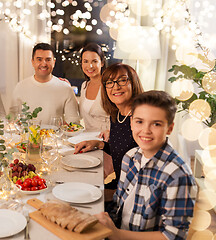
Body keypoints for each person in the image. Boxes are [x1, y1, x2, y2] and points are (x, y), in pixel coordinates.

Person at [95, 90, 197, 240]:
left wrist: (116, 235)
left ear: (169, 128)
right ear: (131, 122)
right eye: (139, 121)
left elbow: (172, 236)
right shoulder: (130, 157)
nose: (146, 130)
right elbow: (118, 202)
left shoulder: (178, 176)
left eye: (156, 124)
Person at [74, 63, 143, 193]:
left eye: (122, 80)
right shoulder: (116, 115)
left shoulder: (140, 119)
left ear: (133, 83)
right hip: (119, 184)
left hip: (133, 192)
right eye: (109, 83)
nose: (115, 87)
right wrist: (99, 144)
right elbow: (121, 150)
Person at [9, 43, 80, 124]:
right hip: (27, 136)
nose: (43, 64)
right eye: (39, 59)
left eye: (48, 59)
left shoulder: (65, 88)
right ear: (32, 62)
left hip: (56, 136)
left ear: (54, 62)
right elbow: (12, 117)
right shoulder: (20, 87)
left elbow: (74, 121)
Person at [79, 43, 110, 136]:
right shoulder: (84, 86)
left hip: (107, 141)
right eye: (85, 61)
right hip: (87, 139)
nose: (90, 66)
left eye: (94, 61)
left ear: (102, 63)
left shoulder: (109, 86)